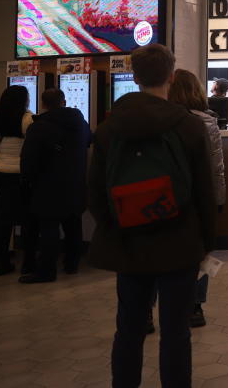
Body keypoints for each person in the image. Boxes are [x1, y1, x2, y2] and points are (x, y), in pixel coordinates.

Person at [87, 44, 217, 388]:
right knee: (176, 333)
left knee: (128, 329)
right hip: (179, 240)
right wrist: (207, 241)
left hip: (129, 242)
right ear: (171, 78)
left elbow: (96, 192)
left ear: (134, 76)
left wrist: (116, 225)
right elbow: (205, 191)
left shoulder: (108, 129)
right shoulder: (189, 126)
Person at [168, 68, 226, 327]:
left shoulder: (160, 119)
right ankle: (194, 308)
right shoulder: (207, 122)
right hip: (197, 198)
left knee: (158, 253)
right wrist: (218, 200)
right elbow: (216, 166)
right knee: (199, 251)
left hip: (163, 197)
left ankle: (148, 310)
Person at [19, 88, 91, 283]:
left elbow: (28, 161)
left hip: (47, 186)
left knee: (49, 229)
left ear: (43, 104)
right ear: (64, 101)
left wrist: (29, 179)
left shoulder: (39, 127)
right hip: (75, 184)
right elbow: (88, 143)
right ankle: (72, 264)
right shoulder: (81, 124)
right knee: (73, 226)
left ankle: (47, 271)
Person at [0, 84, 34, 277]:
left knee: (3, 218)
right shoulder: (27, 119)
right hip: (21, 173)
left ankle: (2, 262)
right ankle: (28, 263)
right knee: (28, 219)